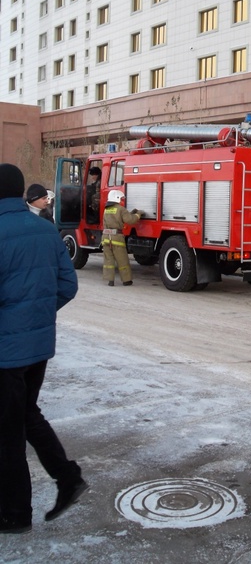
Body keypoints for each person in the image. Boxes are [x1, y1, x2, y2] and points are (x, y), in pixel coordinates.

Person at [0, 163, 86, 534]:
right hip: (37, 346)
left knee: (7, 433)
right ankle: (68, 477)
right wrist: (32, 317)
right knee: (26, 415)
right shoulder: (45, 230)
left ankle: (16, 513)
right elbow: (67, 286)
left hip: (6, 352)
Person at [102, 189, 144, 286]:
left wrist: (129, 213)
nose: (121, 200)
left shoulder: (106, 209)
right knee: (122, 260)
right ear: (116, 198)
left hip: (105, 237)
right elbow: (130, 220)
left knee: (108, 260)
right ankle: (126, 280)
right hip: (117, 238)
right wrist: (138, 215)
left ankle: (110, 281)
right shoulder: (121, 209)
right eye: (120, 198)